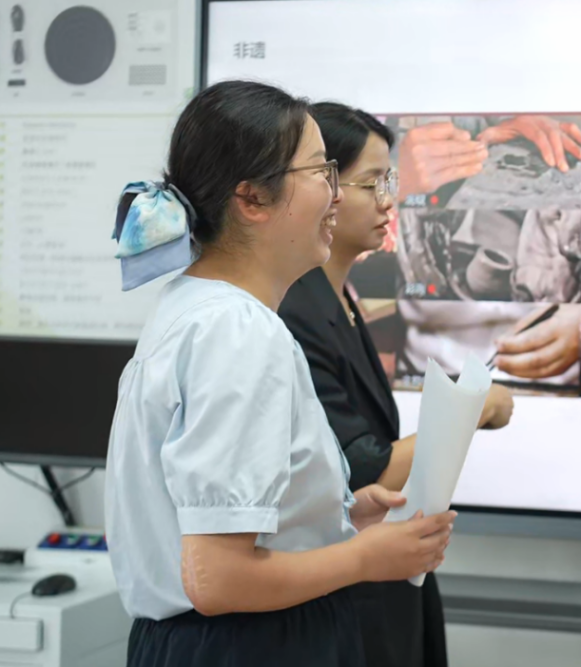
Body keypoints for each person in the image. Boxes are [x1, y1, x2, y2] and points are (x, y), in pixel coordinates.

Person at [104, 81, 456, 667]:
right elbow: (219, 578)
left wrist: (334, 515)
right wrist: (366, 558)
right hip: (251, 644)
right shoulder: (238, 330)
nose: (338, 196)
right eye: (322, 173)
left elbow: (198, 521)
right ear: (252, 199)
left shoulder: (196, 308)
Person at [278, 102, 516, 667]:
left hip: (382, 578)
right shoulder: (296, 309)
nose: (389, 201)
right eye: (371, 184)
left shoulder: (339, 297)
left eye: (390, 182)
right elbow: (365, 467)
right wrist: (475, 406)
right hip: (349, 590)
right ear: (321, 187)